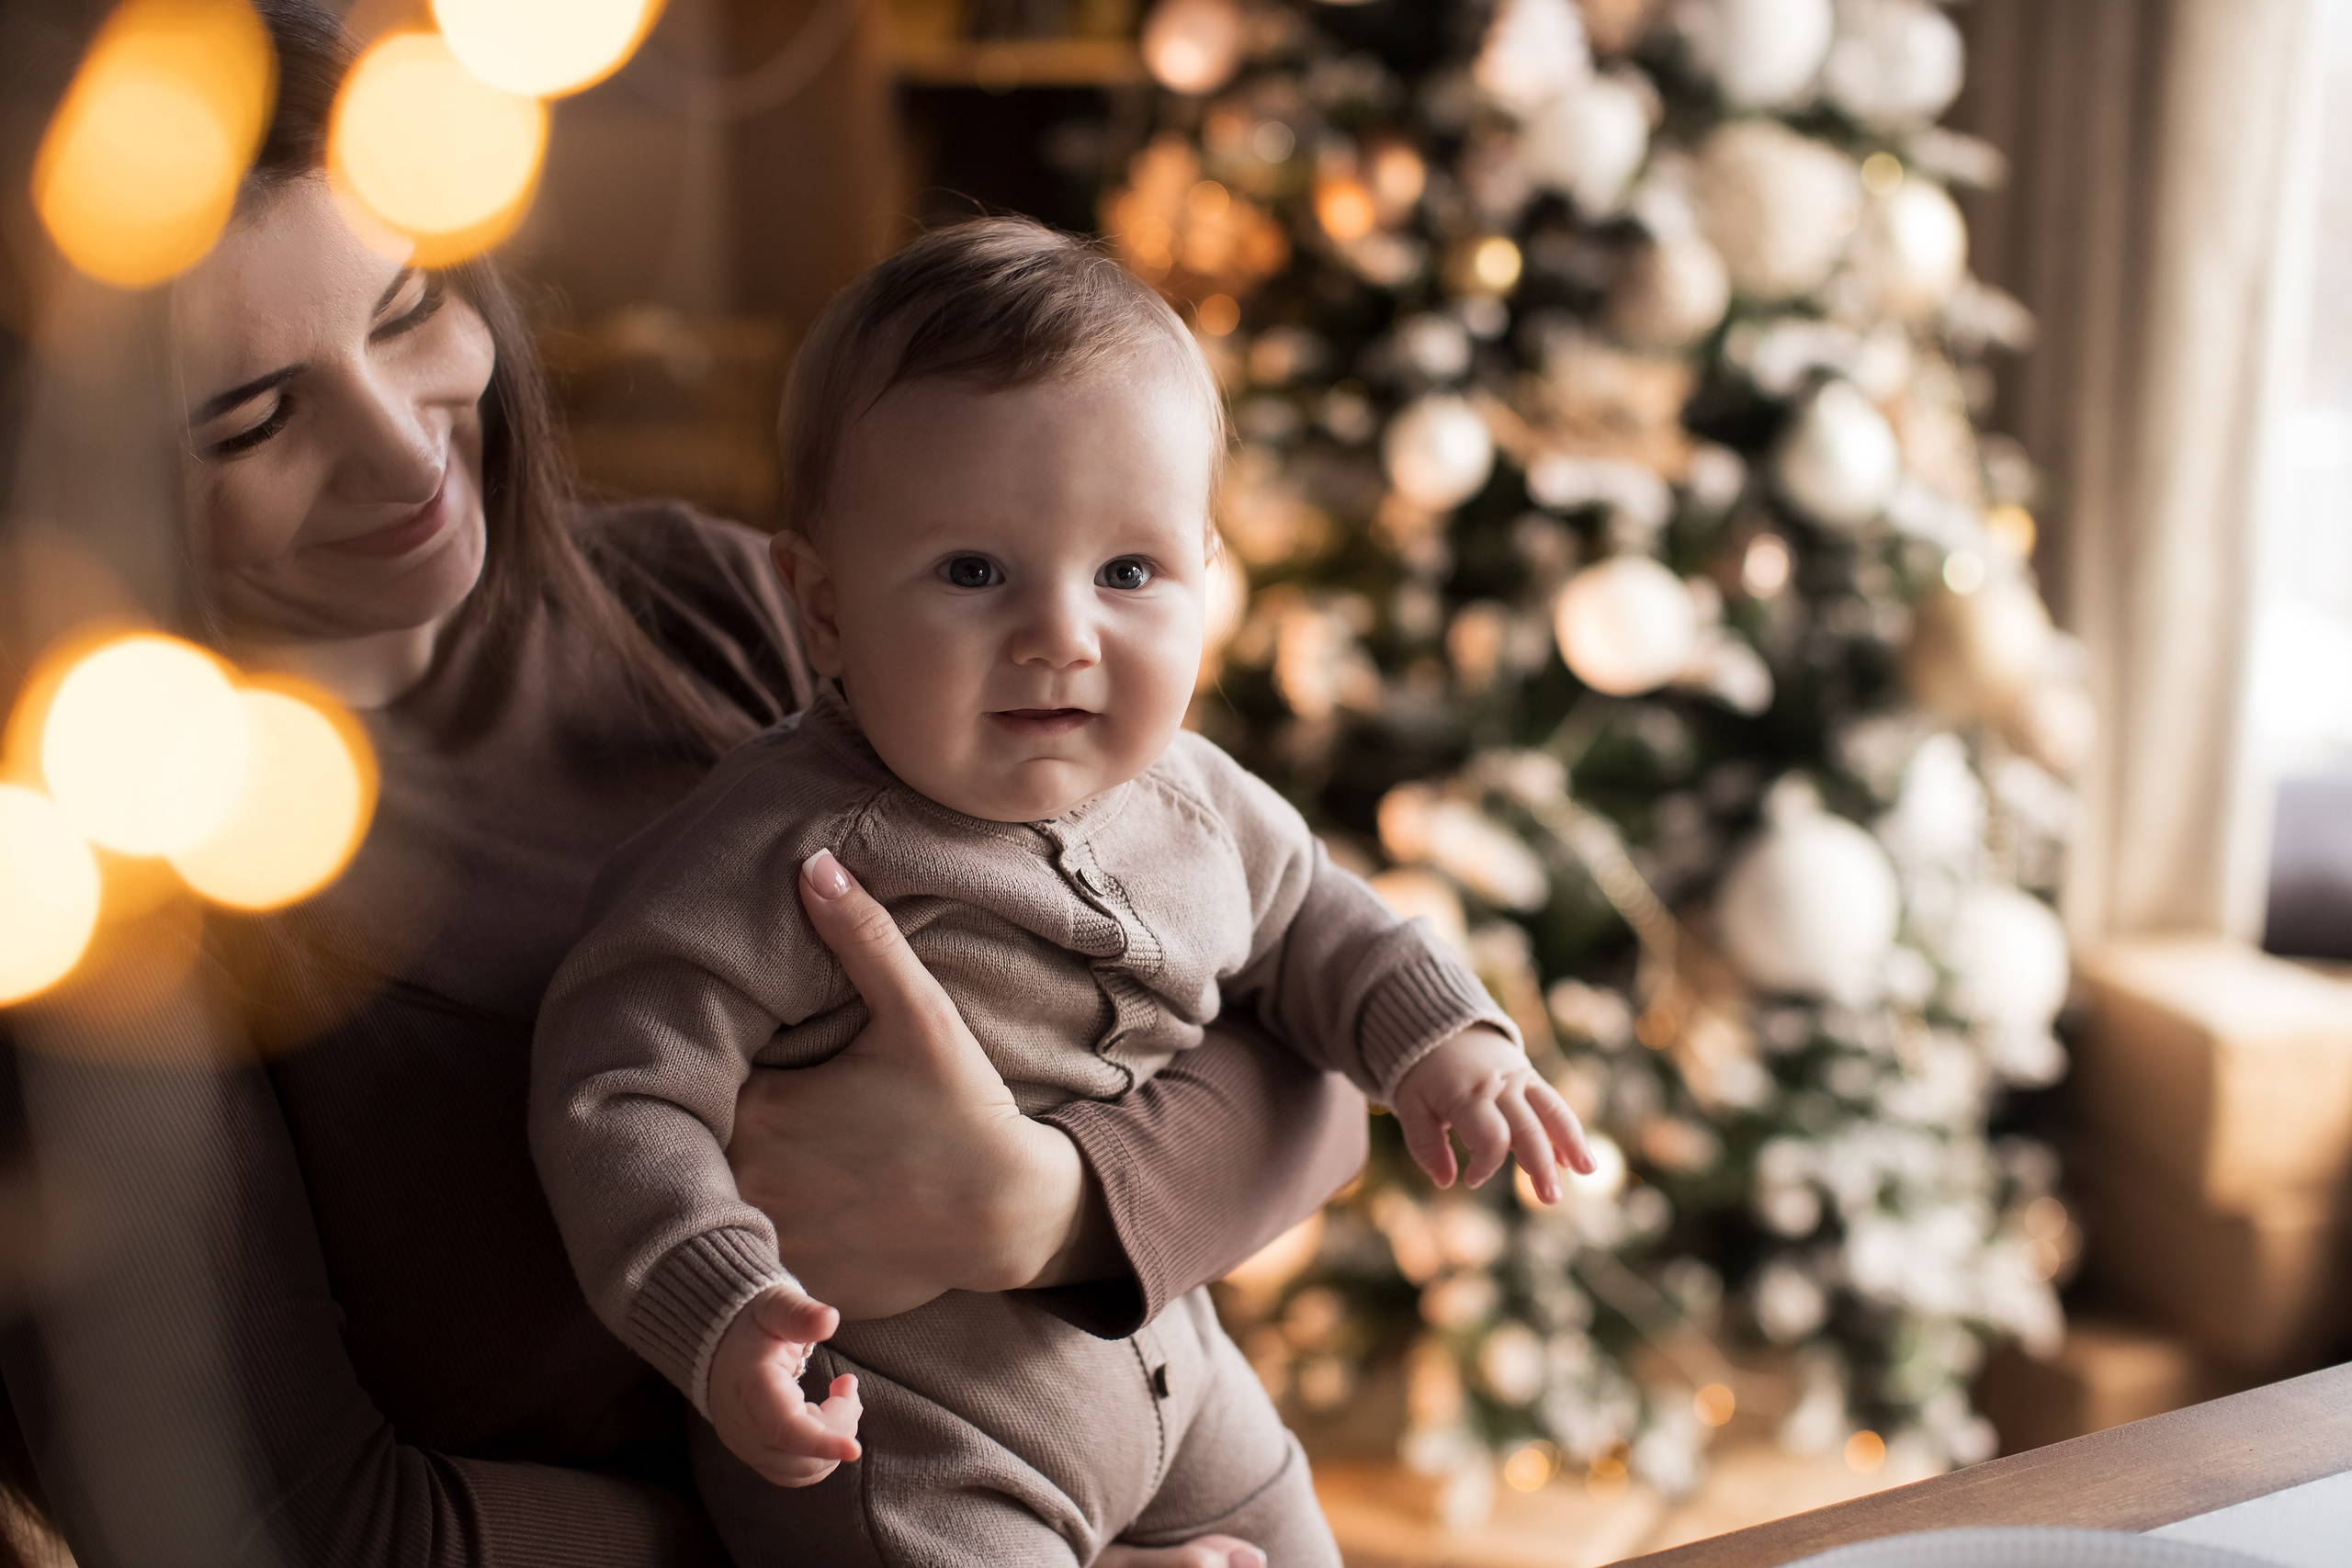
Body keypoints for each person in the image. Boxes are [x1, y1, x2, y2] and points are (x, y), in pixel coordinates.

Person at [0, 6, 1367, 1566]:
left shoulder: (720, 607)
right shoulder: (83, 908)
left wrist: (1043, 1206)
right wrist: (923, 1537)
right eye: (248, 418)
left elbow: (1309, 1073)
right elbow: (307, 1542)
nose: (403, 458)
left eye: (408, 310)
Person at [529, 220, 1598, 1567]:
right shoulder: (778, 855)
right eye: (974, 572)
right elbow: (618, 1089)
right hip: (914, 1437)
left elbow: (1319, 919)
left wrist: (1447, 1040)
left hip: (1173, 1379)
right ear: (825, 605)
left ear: (1207, 573)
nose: (1060, 635)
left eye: (1129, 572)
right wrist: (725, 1305)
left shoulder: (1197, 800)